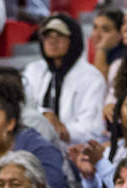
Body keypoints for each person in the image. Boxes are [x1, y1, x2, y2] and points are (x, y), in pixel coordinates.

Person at [22, 13, 106, 148]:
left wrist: (59, 129)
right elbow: (23, 107)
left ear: (73, 40)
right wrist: (44, 117)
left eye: (59, 35)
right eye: (47, 36)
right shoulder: (33, 70)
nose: (52, 41)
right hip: (35, 146)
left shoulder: (92, 77)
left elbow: (92, 128)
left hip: (75, 152)